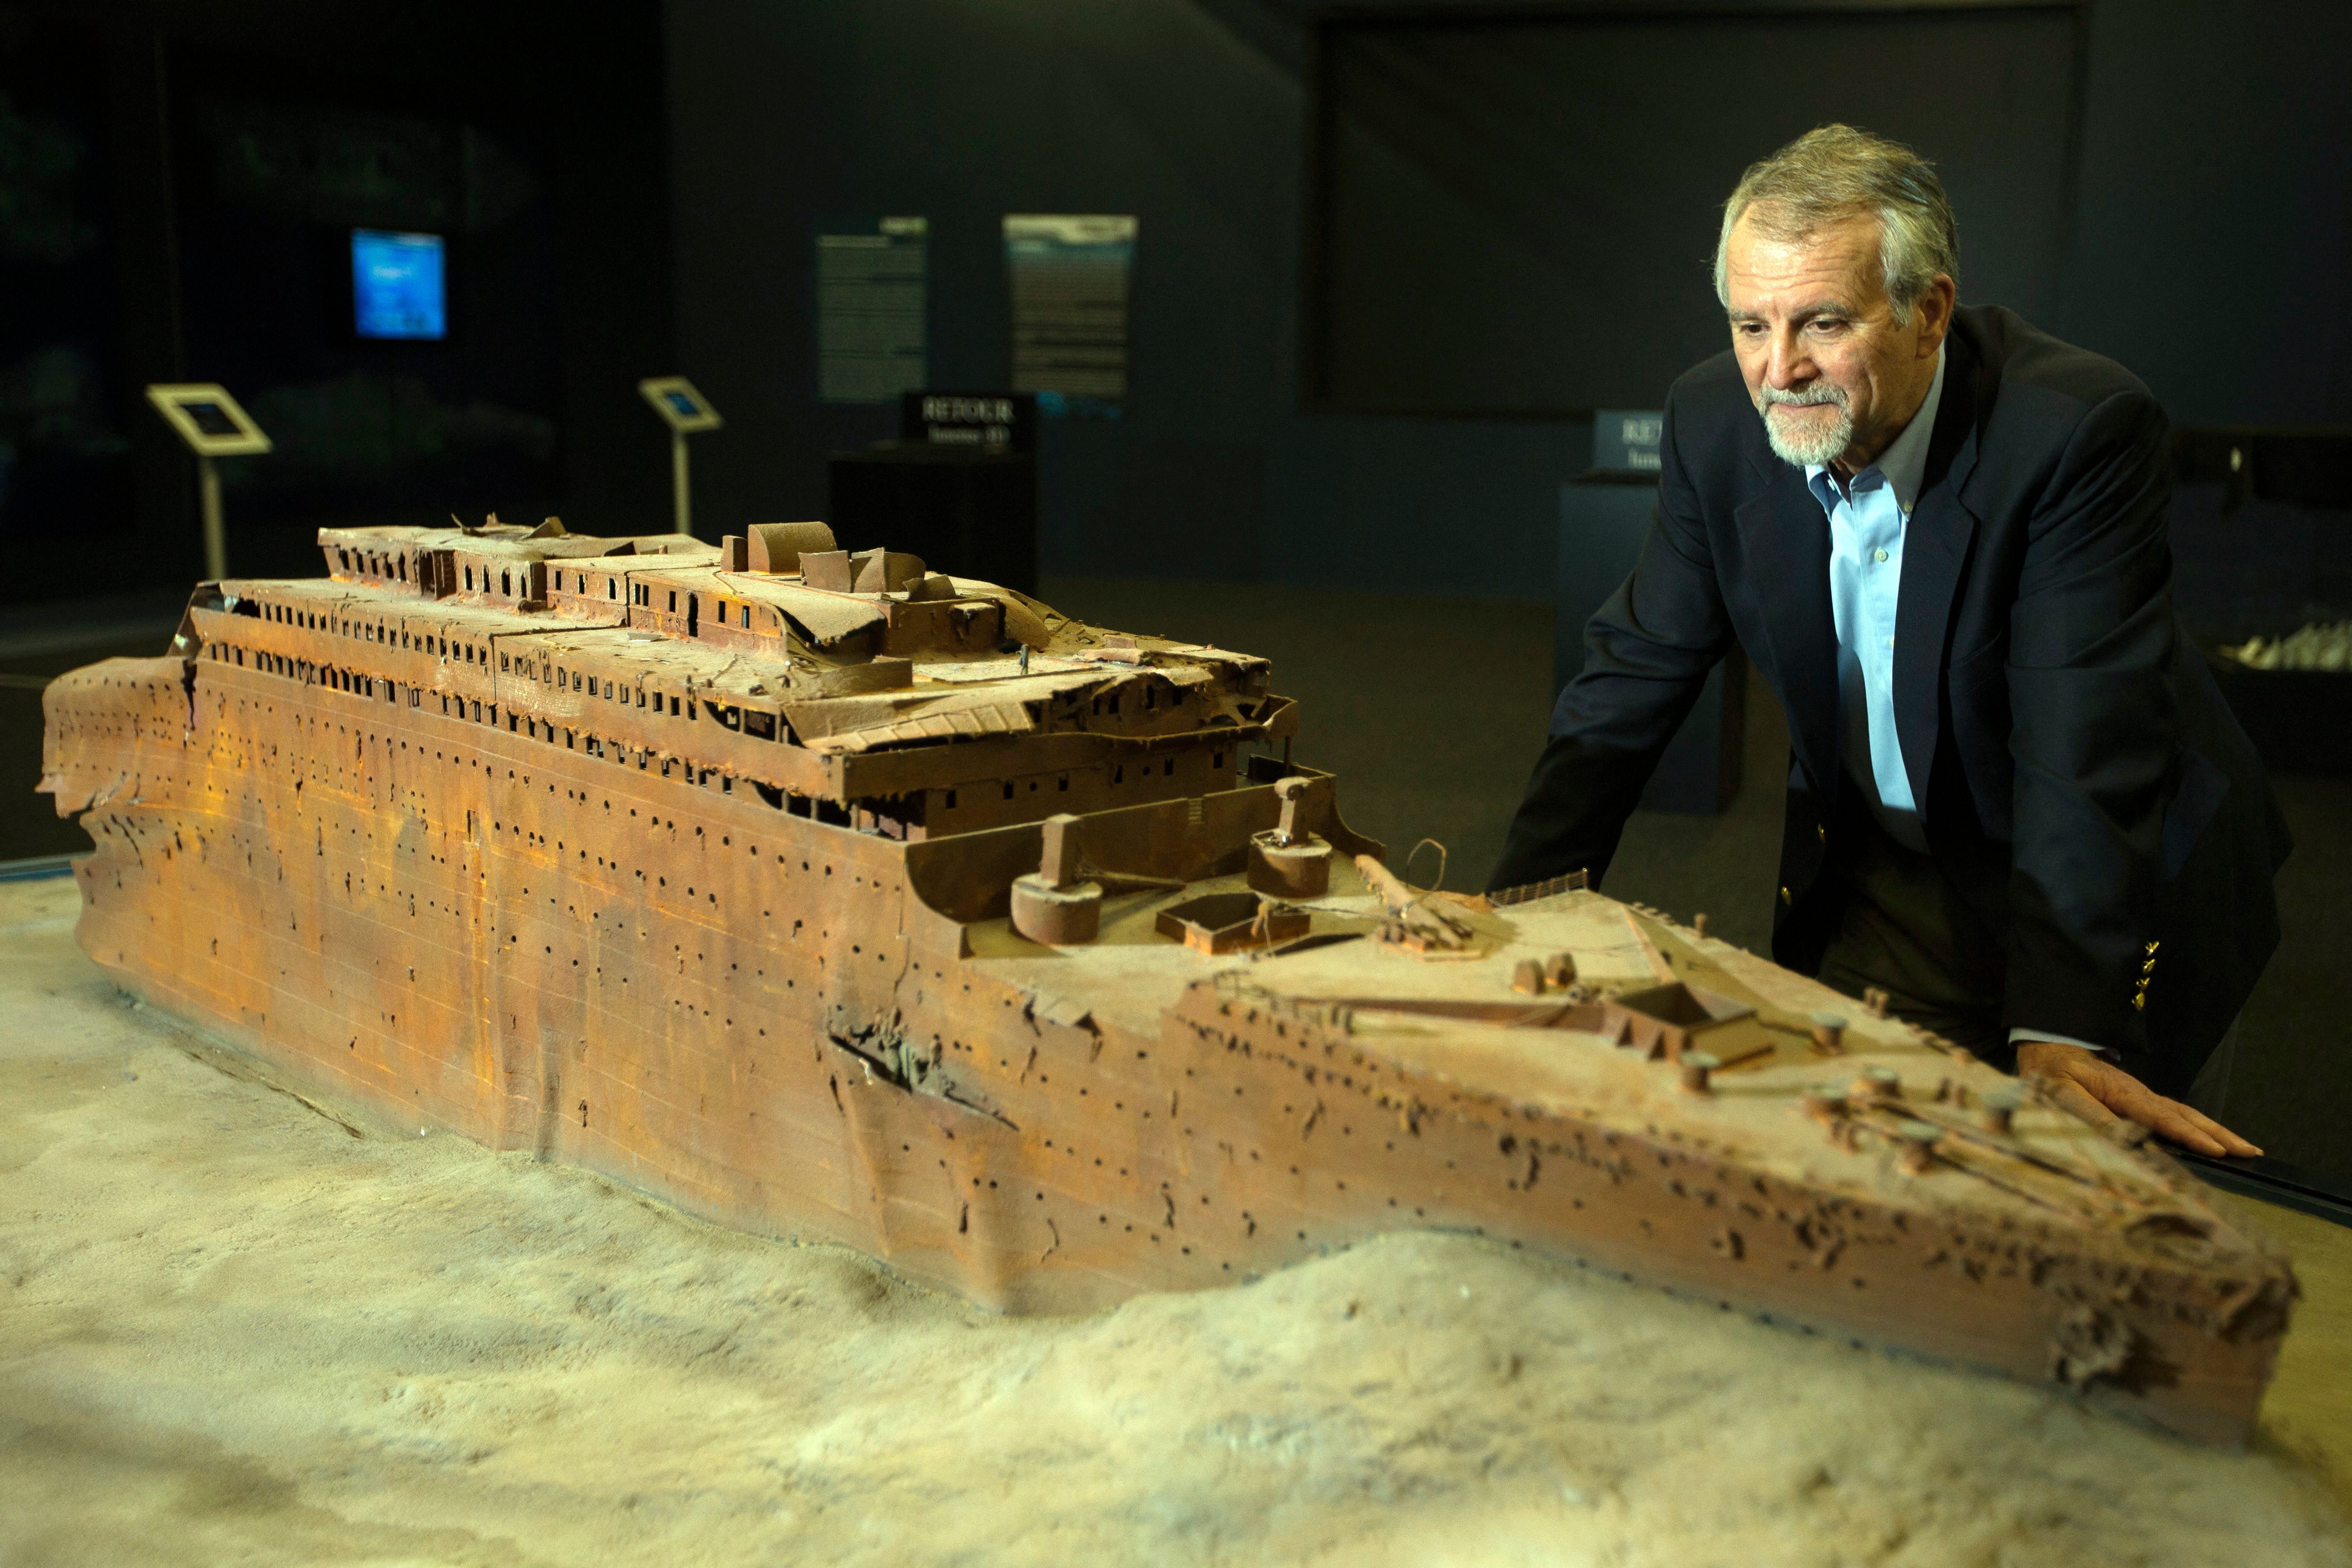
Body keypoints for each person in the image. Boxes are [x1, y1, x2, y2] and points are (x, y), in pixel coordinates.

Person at [1489, 125, 2286, 1157]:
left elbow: (2083, 746)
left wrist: (2059, 1031)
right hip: (1892, 869)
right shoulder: (1714, 422)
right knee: (1863, 1161)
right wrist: (1509, 910)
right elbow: (1635, 671)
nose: (1780, 370)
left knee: (2089, 1189)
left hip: (2108, 871)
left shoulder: (2075, 432)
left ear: (1930, 312)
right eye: (1750, 325)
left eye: (1823, 322)